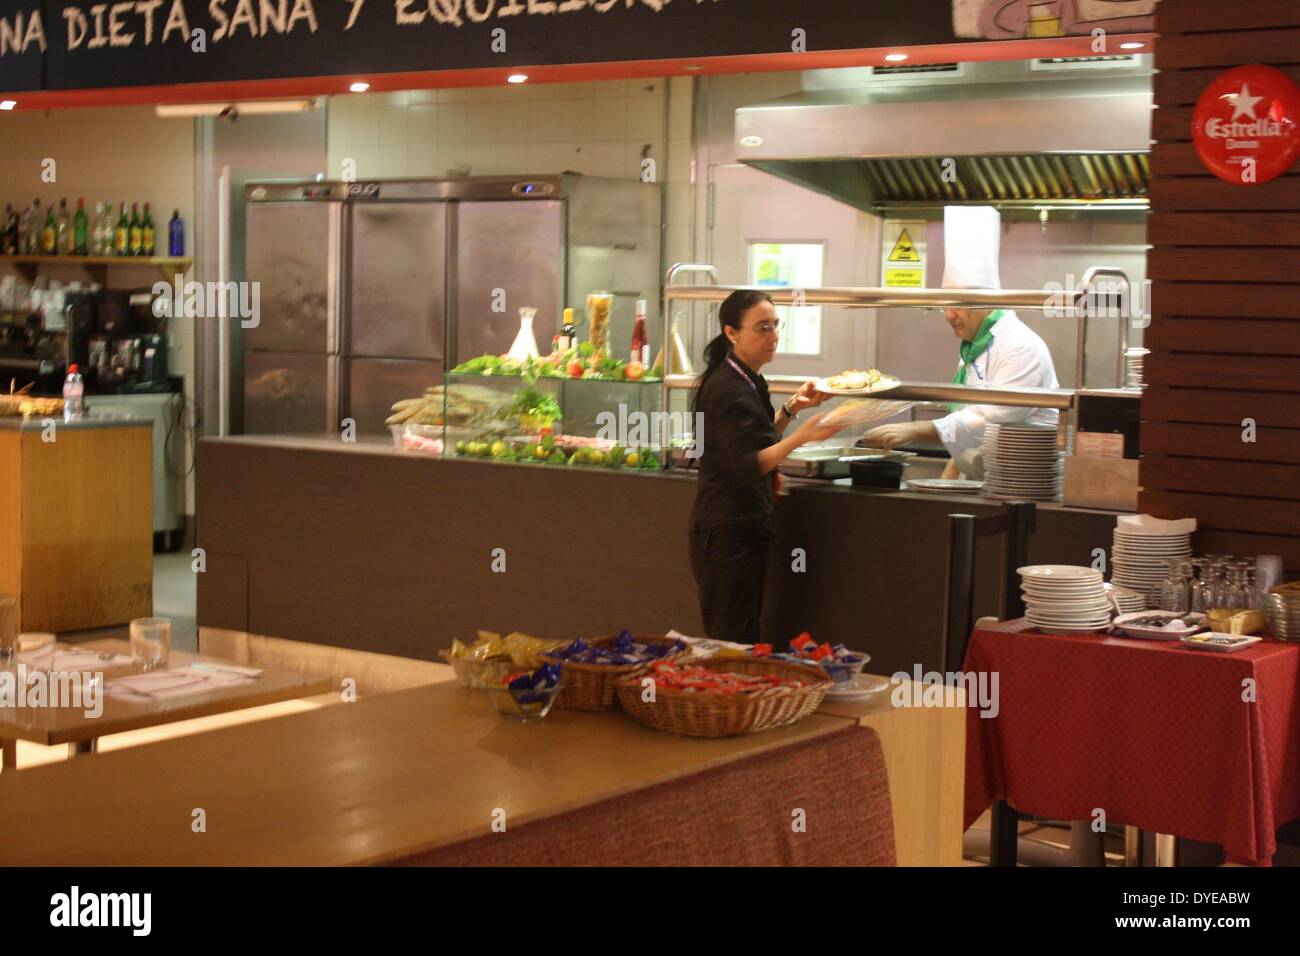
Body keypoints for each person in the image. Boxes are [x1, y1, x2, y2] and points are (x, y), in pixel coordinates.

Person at [688, 290, 847, 644]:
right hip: (726, 531)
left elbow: (755, 443)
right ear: (732, 332)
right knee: (733, 643)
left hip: (741, 527)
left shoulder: (745, 378)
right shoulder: (727, 388)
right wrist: (803, 436)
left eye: (776, 325)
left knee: (743, 637)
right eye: (762, 328)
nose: (773, 336)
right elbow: (747, 465)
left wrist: (791, 410)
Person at [862, 206, 1058, 477]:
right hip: (988, 479)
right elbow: (968, 424)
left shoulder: (1020, 347)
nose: (949, 315)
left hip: (1024, 484)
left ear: (985, 303)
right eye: (945, 307)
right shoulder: (974, 347)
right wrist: (948, 478)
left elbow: (992, 420)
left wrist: (915, 430)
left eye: (958, 306)